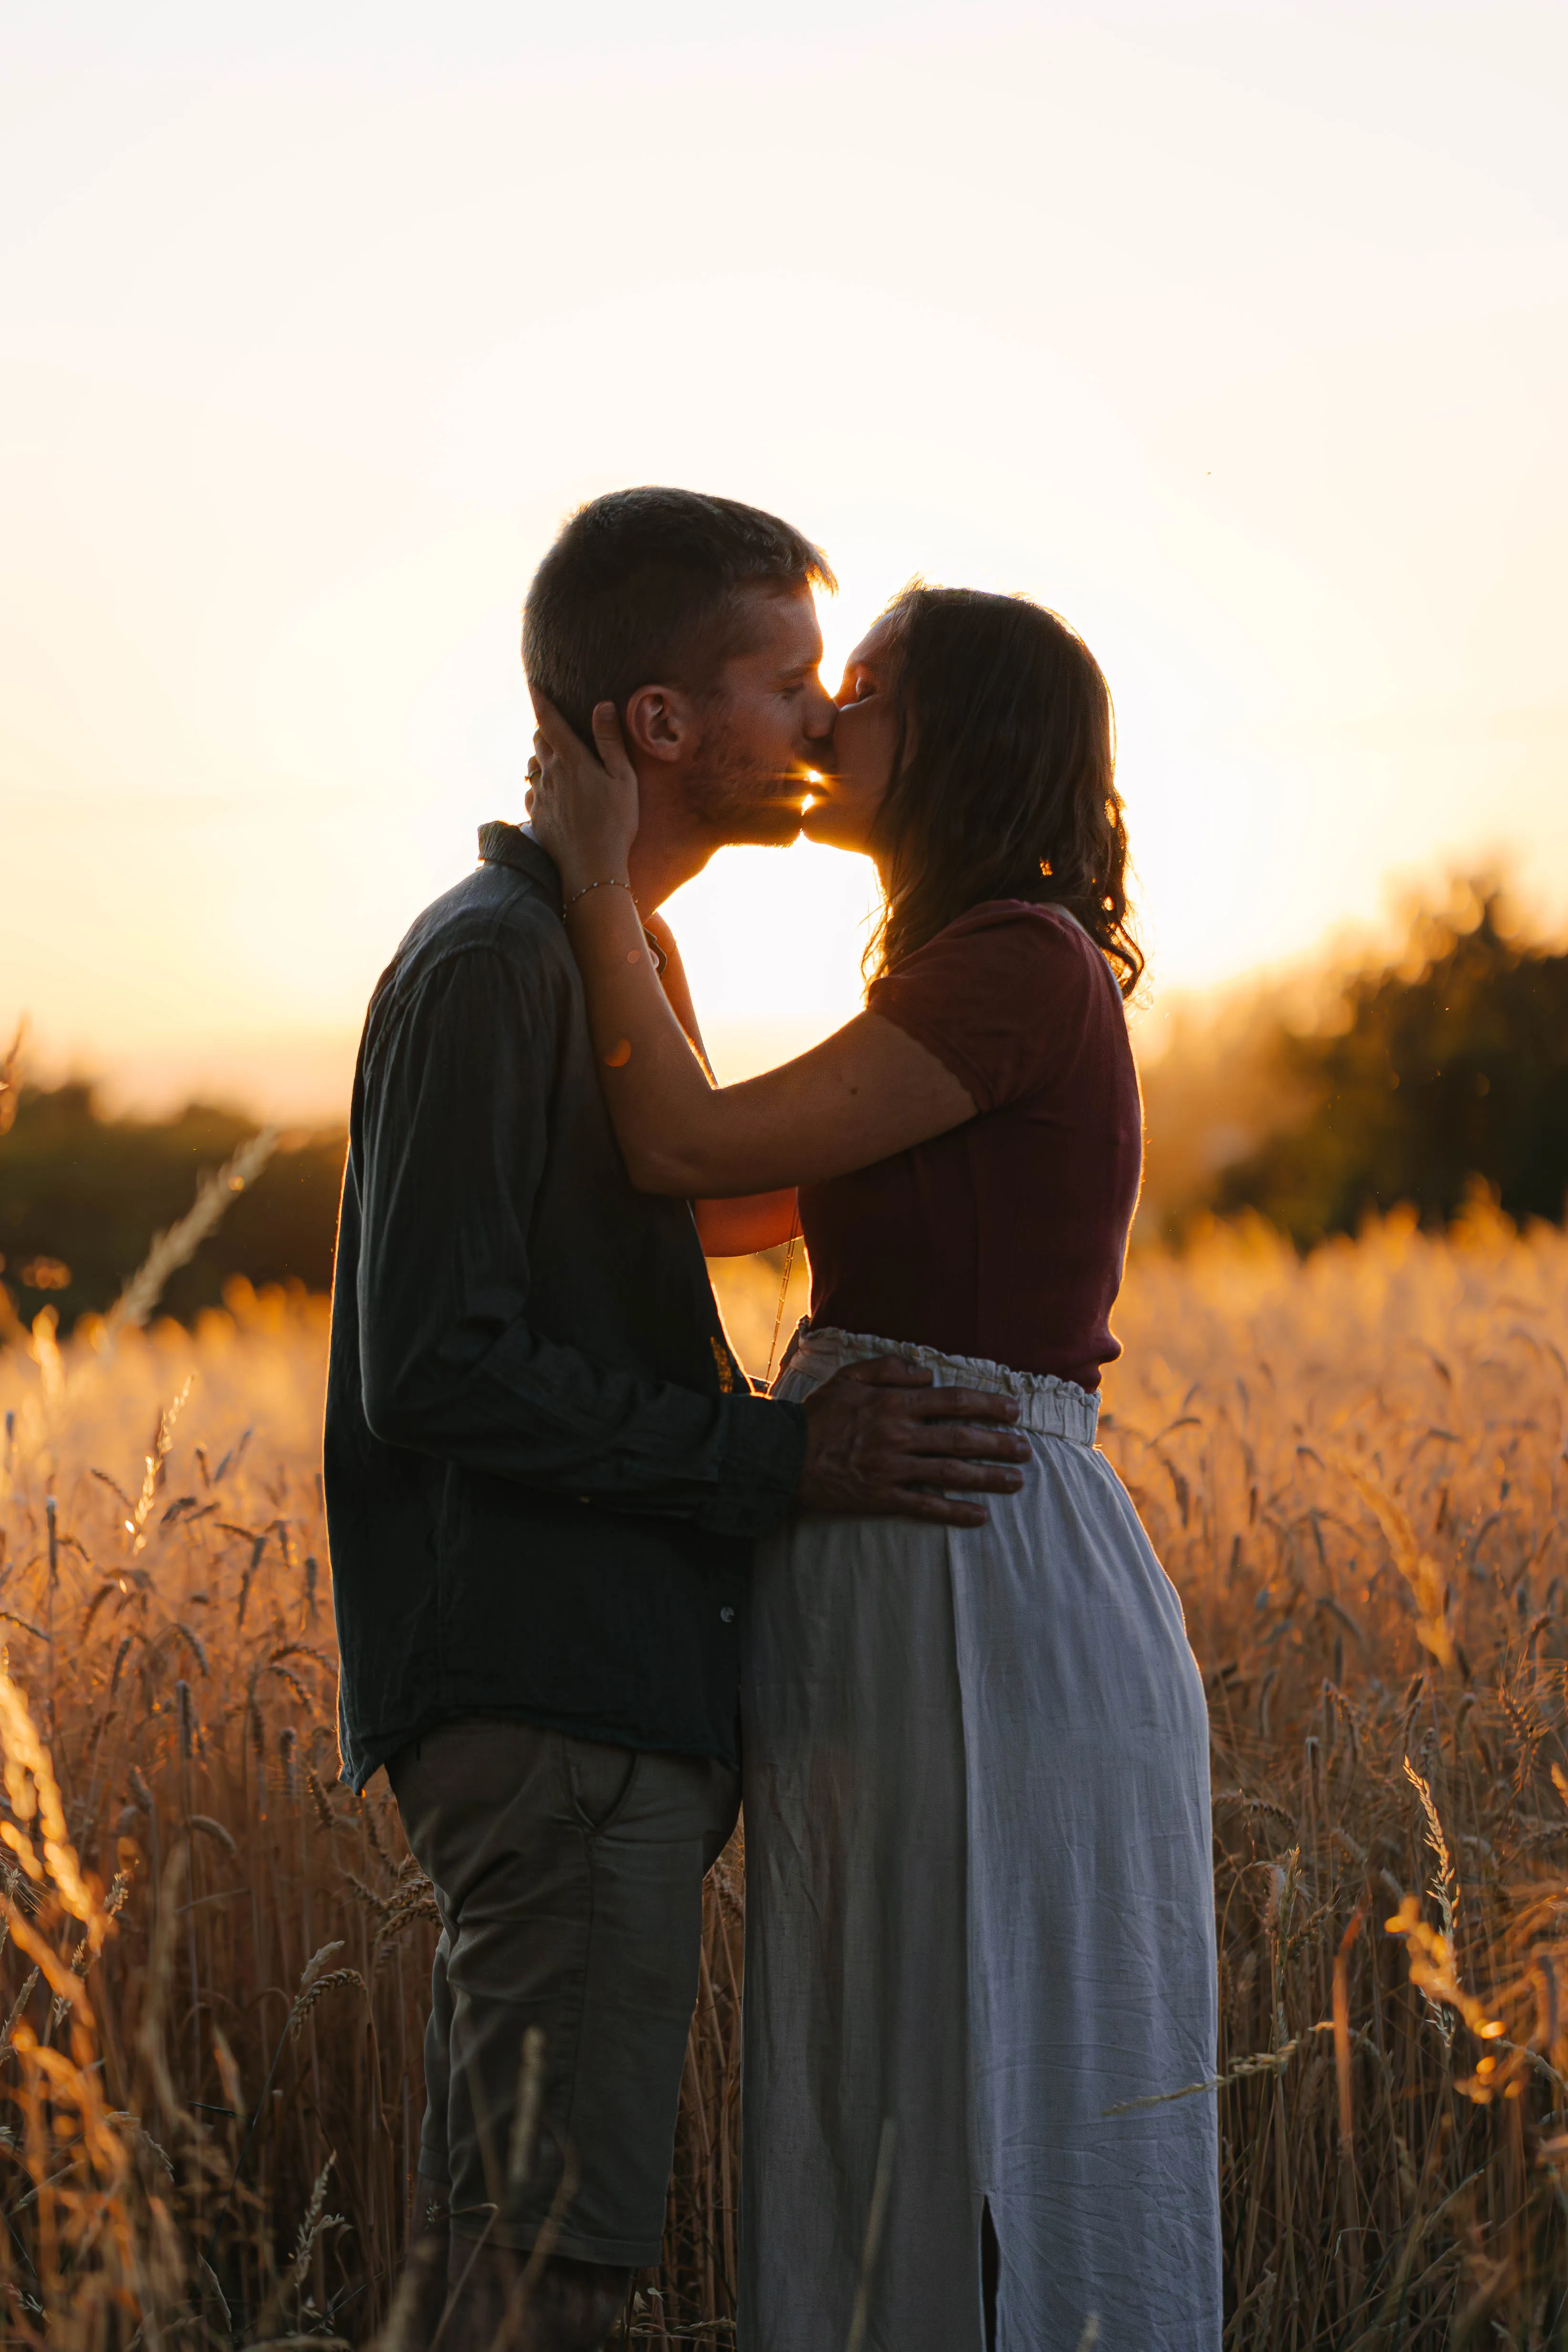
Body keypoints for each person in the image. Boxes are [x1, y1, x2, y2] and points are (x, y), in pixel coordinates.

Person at [323, 491, 1030, 2352]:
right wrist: (782, 1462)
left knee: (515, 2247)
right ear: (656, 723)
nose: (819, 717)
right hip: (550, 1698)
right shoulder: (501, 960)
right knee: (547, 2270)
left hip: (596, 1697)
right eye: (784, 678)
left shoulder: (597, 952)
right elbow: (441, 1364)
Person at [528, 582, 1224, 2351]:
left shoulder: (1013, 963)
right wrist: (648, 918)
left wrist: (601, 880)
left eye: (873, 691)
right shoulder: (964, 968)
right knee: (900, 2070)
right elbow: (738, 1187)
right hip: (914, 1562)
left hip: (971, 1572)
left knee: (975, 2099)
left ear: (968, 738)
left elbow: (684, 1146)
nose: (829, 718)